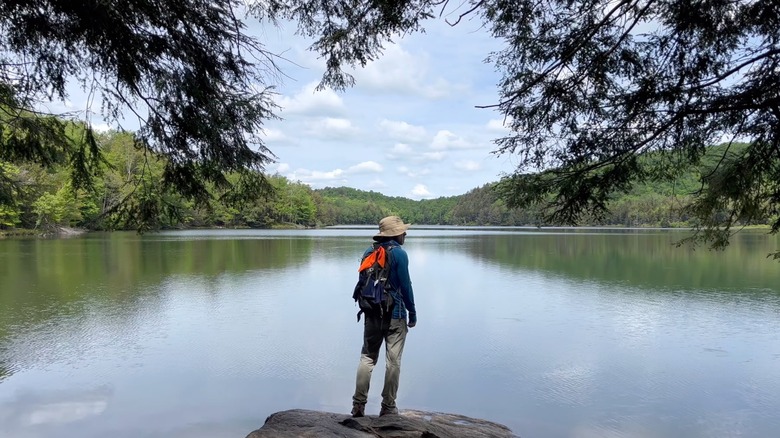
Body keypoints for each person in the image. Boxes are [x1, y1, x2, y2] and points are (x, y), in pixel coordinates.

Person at [351, 215, 417, 417]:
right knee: (393, 362)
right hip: (395, 315)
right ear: (396, 235)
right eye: (403, 231)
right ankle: (388, 407)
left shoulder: (369, 251)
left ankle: (358, 405)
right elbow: (405, 286)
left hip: (371, 312)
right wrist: (412, 312)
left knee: (367, 358)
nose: (405, 234)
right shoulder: (399, 254)